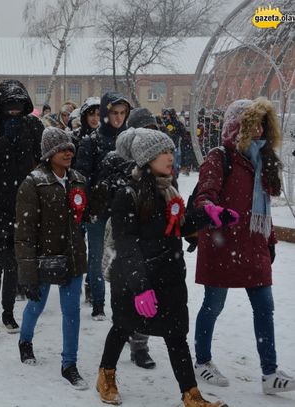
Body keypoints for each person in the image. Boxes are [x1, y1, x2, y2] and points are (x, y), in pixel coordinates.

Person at [96, 127, 231, 407]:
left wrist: (207, 216)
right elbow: (127, 245)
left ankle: (190, 394)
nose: (170, 157)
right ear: (147, 158)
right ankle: (106, 375)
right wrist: (140, 288)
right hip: (135, 278)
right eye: (163, 152)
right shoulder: (127, 194)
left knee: (176, 334)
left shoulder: (170, 188)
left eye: (170, 150)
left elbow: (177, 227)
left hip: (168, 275)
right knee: (122, 326)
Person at [193, 98, 295, 394]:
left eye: (264, 123)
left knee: (265, 307)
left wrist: (271, 240)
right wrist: (213, 210)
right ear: (238, 127)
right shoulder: (219, 157)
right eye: (254, 123)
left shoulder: (263, 160)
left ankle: (269, 373)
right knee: (213, 306)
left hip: (254, 247)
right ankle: (202, 361)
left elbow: (262, 210)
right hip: (222, 244)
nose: (260, 129)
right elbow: (204, 195)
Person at [15, 127, 89, 389]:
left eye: (70, 147)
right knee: (36, 304)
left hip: (73, 257)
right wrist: (27, 273)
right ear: (49, 153)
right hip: (43, 257)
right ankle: (25, 340)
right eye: (62, 148)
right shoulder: (32, 183)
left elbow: (88, 214)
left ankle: (69, 364)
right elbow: (24, 233)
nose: (68, 152)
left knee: (72, 312)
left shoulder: (78, 179)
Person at [0, 79, 44, 341]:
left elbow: (42, 160)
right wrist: (5, 139)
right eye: (9, 106)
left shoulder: (33, 125)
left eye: (18, 106)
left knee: (14, 260)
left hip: (21, 203)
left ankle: (8, 311)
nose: (14, 112)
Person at [96, 107, 160, 370]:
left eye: (153, 131)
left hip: (151, 236)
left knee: (147, 286)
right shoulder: (116, 159)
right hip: (122, 235)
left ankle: (140, 344)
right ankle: (121, 334)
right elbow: (104, 196)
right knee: (123, 290)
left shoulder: (161, 161)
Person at [75, 92, 132, 320]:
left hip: (125, 210)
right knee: (97, 257)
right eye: (113, 113)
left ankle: (121, 304)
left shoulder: (130, 139)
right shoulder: (91, 141)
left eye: (122, 113)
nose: (118, 118)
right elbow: (82, 176)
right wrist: (90, 200)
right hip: (98, 210)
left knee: (124, 259)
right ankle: (98, 302)